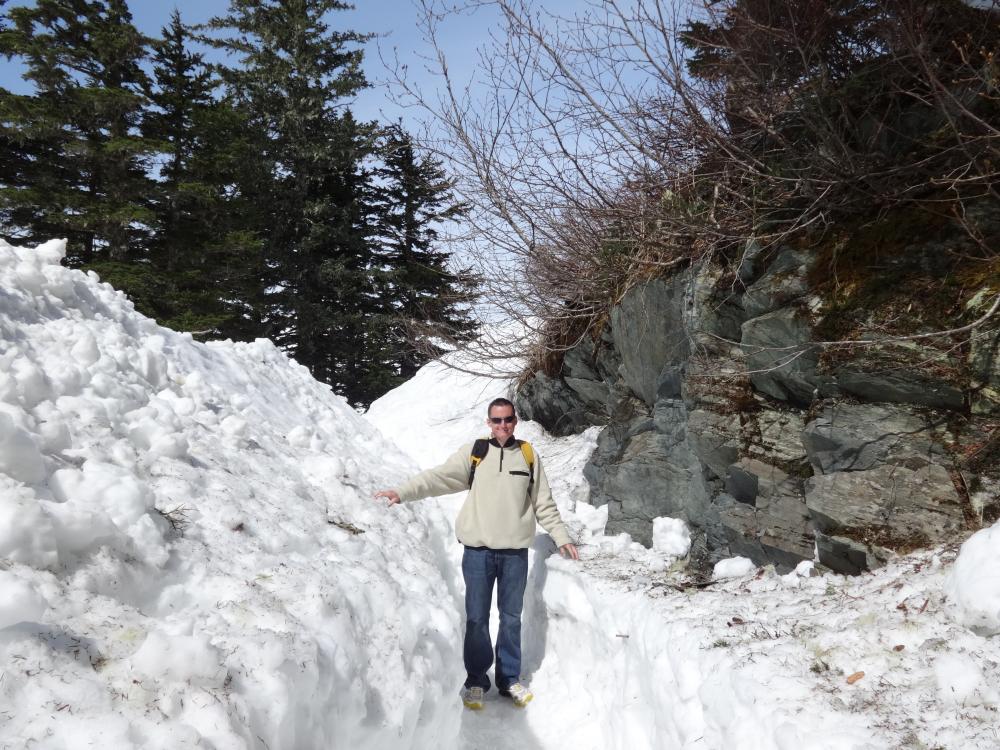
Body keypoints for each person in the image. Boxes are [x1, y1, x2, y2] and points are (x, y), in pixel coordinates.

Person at [374, 397, 578, 710]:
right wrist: (402, 492)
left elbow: (543, 502)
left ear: (515, 421)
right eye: (496, 421)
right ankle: (476, 681)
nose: (503, 426)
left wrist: (561, 536)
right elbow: (439, 478)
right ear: (488, 422)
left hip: (514, 555)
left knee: (511, 618)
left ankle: (509, 679)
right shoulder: (475, 453)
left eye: (508, 419)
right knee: (478, 620)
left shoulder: (528, 455)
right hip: (478, 553)